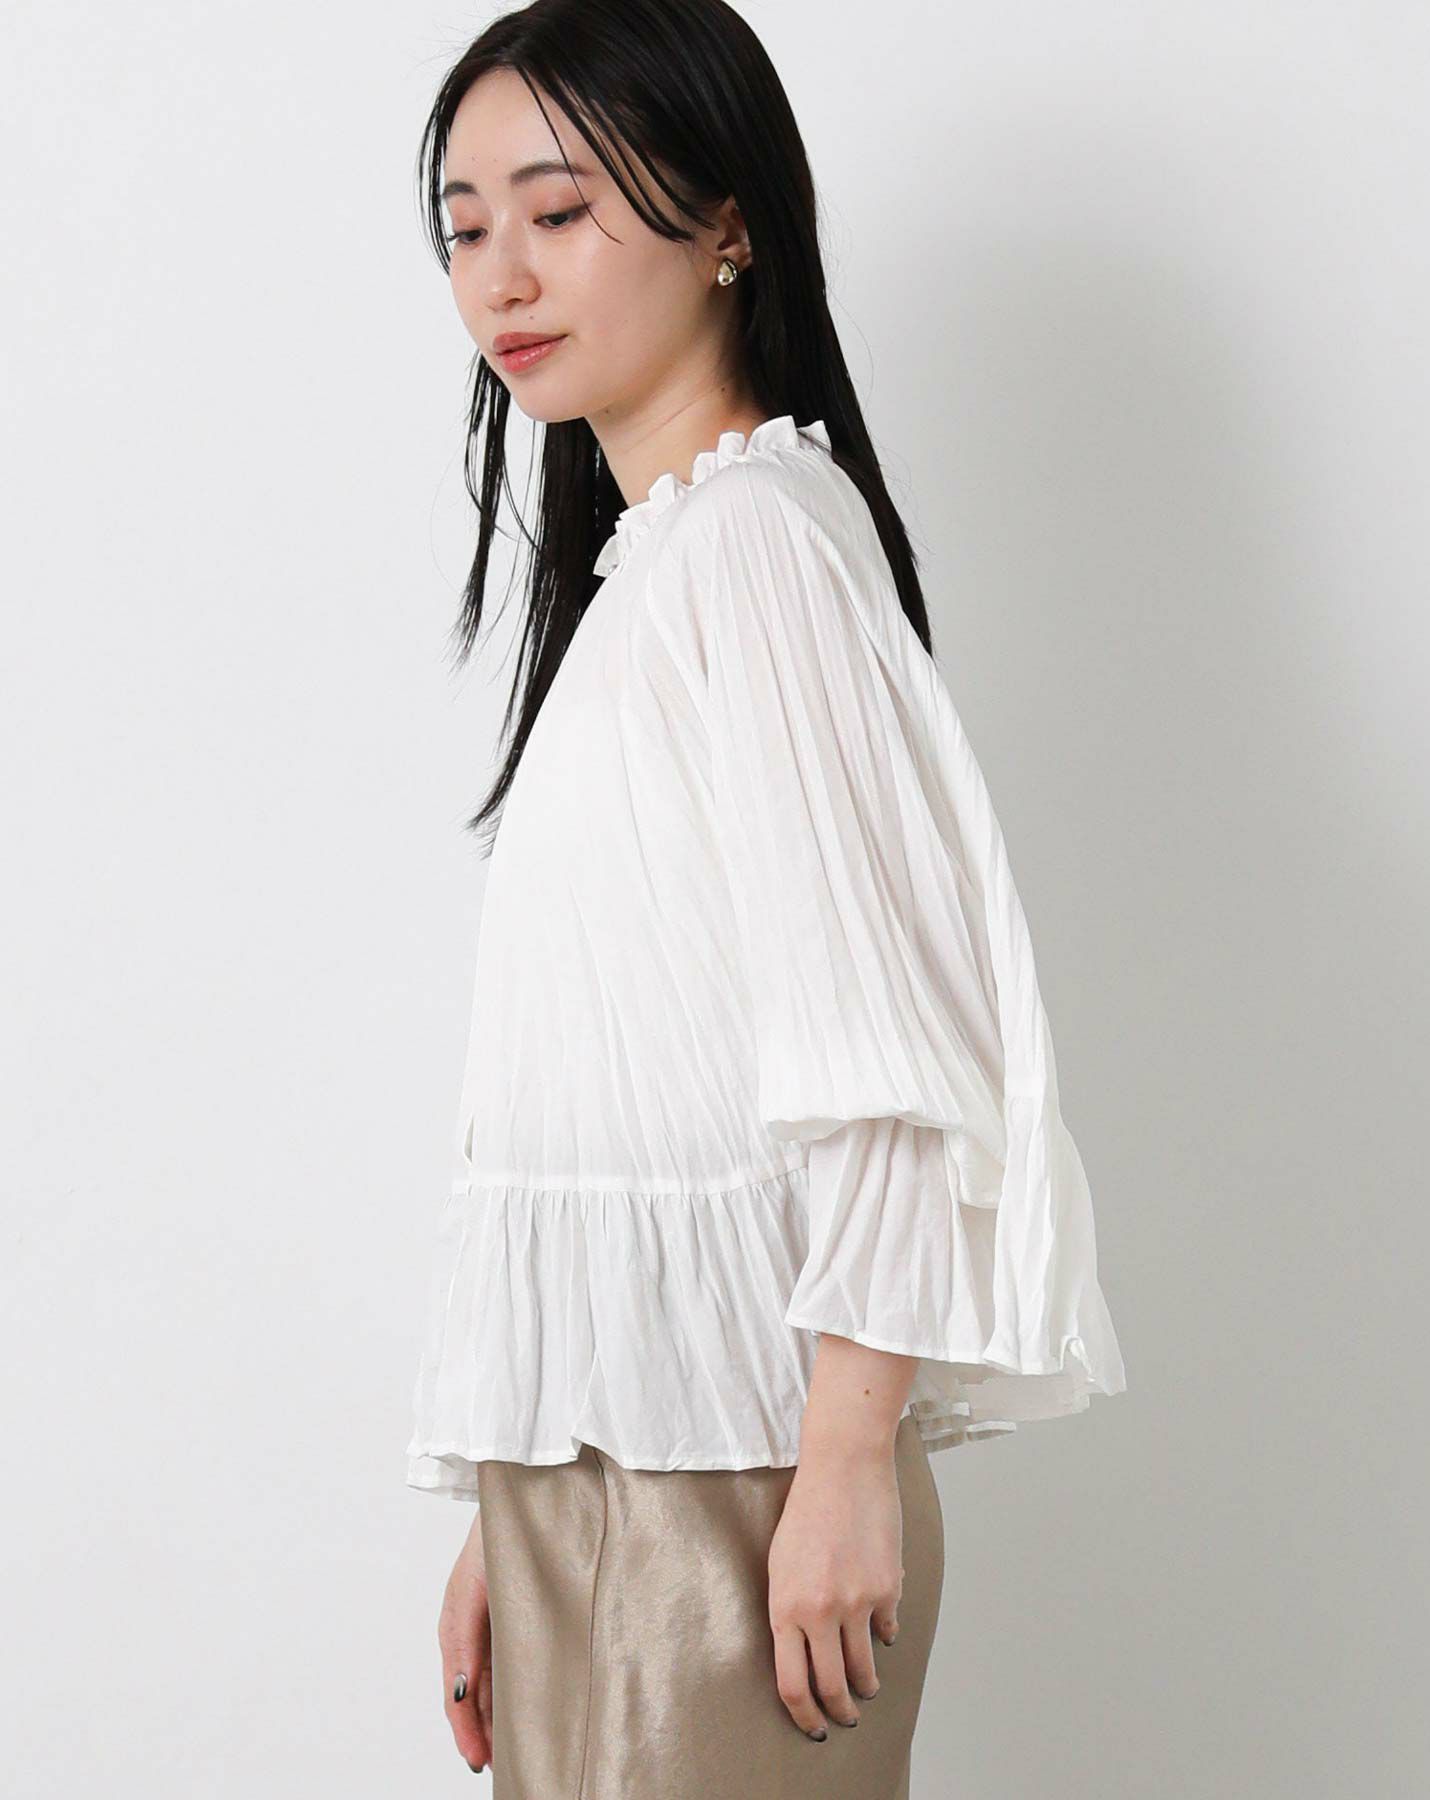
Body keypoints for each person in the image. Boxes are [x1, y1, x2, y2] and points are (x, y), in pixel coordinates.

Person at [403, 2, 1128, 1792]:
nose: (503, 274)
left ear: (727, 222)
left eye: (559, 211)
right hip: (614, 1476)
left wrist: (847, 1461)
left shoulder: (755, 551)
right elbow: (634, 1079)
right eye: (466, 226)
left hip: (732, 1492)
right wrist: (521, 1493)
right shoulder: (662, 567)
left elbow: (888, 1048)